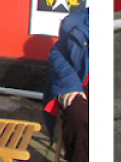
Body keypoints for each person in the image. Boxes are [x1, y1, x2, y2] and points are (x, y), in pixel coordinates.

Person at [42, 8, 89, 162]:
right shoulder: (74, 21)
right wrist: (70, 85)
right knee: (78, 112)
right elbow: (58, 55)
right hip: (80, 81)